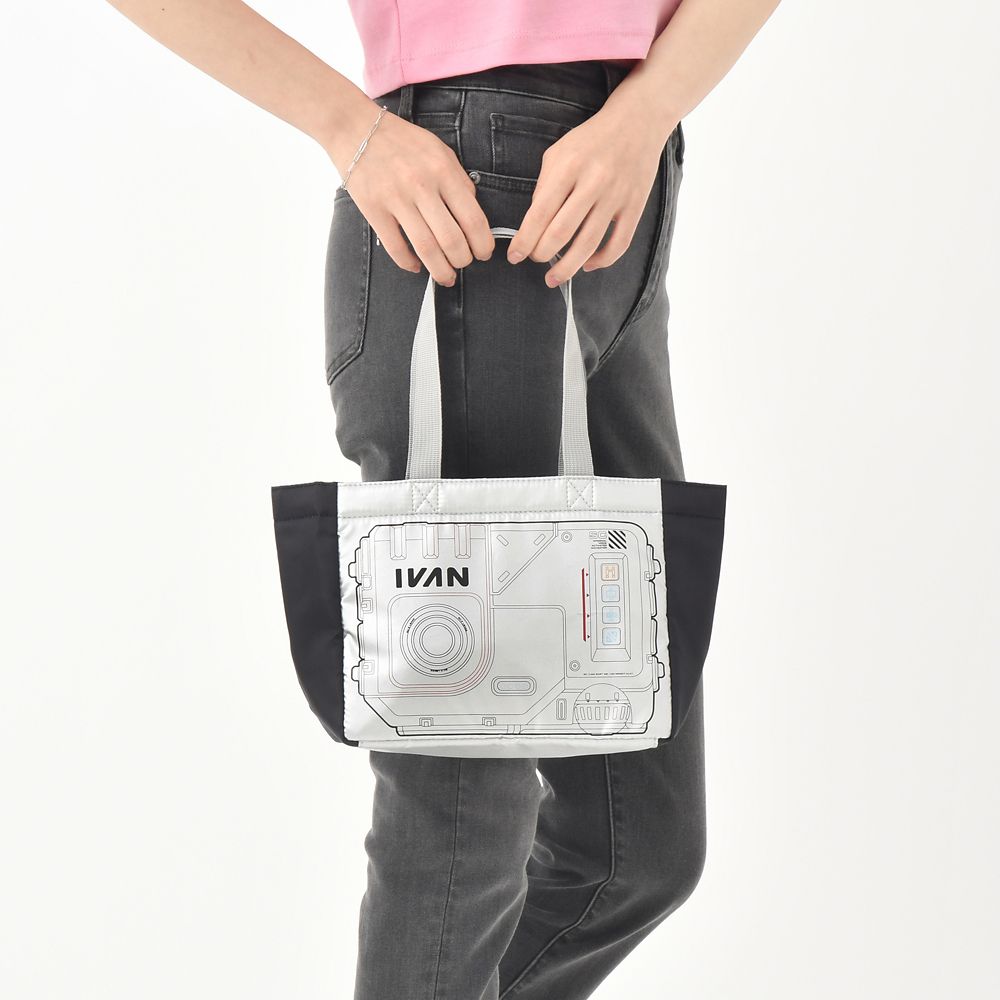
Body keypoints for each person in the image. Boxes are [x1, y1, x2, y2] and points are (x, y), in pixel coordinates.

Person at [107, 2, 782, 997]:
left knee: (637, 848)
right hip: (468, 199)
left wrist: (646, 115)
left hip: (627, 176)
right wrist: (349, 126)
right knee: (463, 820)